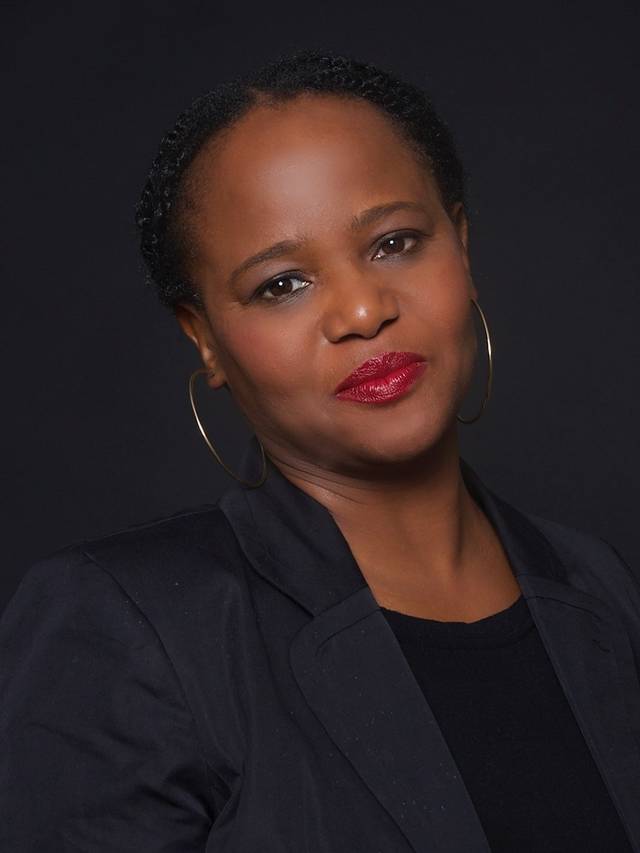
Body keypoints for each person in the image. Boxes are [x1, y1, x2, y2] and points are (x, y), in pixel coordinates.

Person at [1, 48, 639, 853]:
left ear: (462, 246)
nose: (364, 311)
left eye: (395, 242)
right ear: (204, 337)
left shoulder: (598, 587)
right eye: (282, 284)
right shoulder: (126, 628)